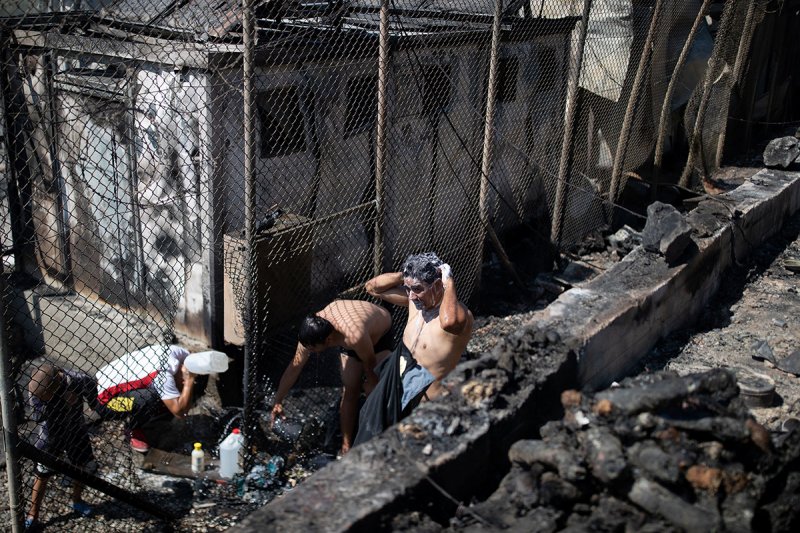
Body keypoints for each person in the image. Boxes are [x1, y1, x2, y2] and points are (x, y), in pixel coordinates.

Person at [355, 252, 473, 446]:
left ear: (437, 285)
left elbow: (450, 323)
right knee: (373, 430)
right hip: (398, 386)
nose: (410, 295)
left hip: (425, 401)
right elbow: (372, 288)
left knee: (410, 449)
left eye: (417, 289)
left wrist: (449, 281)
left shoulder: (459, 315)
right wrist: (406, 275)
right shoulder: (416, 303)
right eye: (408, 289)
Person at [270, 300, 392, 454]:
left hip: (378, 335)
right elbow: (295, 367)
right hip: (350, 334)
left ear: (328, 341)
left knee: (376, 392)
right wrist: (278, 400)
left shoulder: (354, 336)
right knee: (350, 389)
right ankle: (346, 446)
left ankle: (378, 439)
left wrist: (372, 388)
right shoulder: (311, 333)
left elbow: (370, 365)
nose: (312, 352)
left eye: (313, 349)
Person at [26, 362, 98, 531]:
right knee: (42, 473)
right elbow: (37, 416)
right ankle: (33, 515)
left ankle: (77, 501)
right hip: (50, 436)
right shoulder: (35, 388)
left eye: (47, 397)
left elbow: (95, 402)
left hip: (76, 429)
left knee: (79, 466)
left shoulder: (79, 380)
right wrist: (57, 403)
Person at [95, 344, 196, 453]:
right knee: (149, 398)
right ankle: (134, 429)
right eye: (182, 385)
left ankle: (152, 419)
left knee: (162, 397)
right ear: (183, 380)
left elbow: (194, 356)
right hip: (106, 402)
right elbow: (180, 413)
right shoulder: (164, 378)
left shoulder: (176, 352)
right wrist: (189, 382)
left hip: (109, 380)